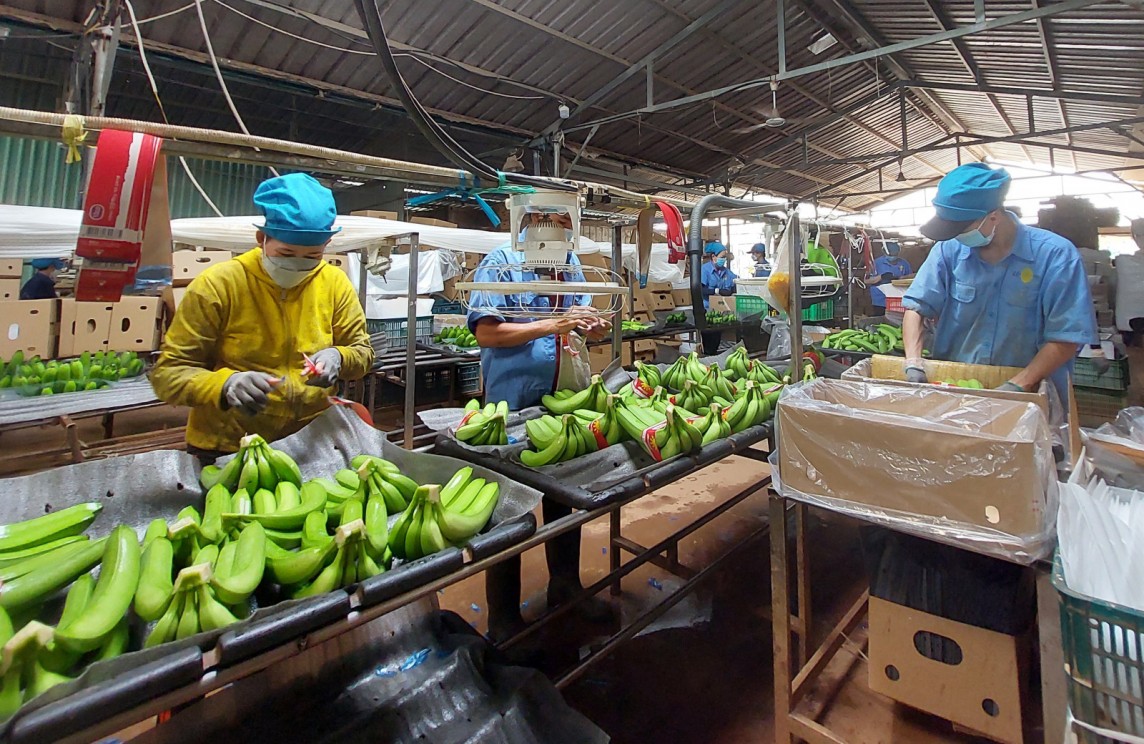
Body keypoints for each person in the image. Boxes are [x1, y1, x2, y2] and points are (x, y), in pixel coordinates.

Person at [151, 173, 375, 461]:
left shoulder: (334, 283)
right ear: (261, 239)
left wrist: (339, 357)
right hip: (229, 446)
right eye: (286, 253)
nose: (297, 264)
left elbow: (362, 352)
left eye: (312, 256)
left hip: (310, 442)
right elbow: (168, 376)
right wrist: (225, 385)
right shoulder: (219, 285)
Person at [468, 209, 614, 643]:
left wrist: (585, 319)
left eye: (565, 236)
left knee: (562, 496)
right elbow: (488, 334)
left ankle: (566, 586)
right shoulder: (500, 264)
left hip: (561, 392)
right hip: (511, 402)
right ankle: (504, 617)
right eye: (551, 234)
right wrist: (553, 324)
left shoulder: (568, 266)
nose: (558, 249)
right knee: (504, 509)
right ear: (529, 229)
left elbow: (571, 317)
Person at [902, 163, 1095, 398]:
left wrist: (1017, 386)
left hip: (1034, 394)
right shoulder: (948, 250)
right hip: (957, 389)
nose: (955, 236)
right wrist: (913, 361)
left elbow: (1066, 336)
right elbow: (916, 308)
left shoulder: (1056, 256)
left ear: (993, 217)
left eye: (961, 228)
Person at [865, 241, 912, 315]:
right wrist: (881, 277)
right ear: (885, 253)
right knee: (881, 319)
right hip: (880, 299)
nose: (892, 257)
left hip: (897, 300)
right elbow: (866, 281)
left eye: (895, 255)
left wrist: (899, 278)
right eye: (890, 255)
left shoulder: (904, 263)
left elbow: (909, 278)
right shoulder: (876, 263)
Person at [700, 241, 737, 307]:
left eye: (725, 257)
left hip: (723, 307)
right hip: (708, 307)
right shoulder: (705, 270)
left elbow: (736, 281)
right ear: (713, 256)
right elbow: (700, 290)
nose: (724, 259)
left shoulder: (726, 271)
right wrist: (717, 291)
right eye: (722, 257)